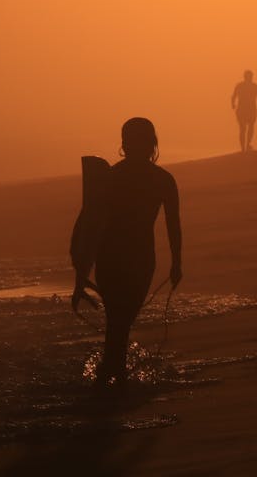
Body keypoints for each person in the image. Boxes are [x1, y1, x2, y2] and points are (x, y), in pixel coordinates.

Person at [74, 117, 182, 390]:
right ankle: (114, 377)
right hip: (139, 257)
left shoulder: (111, 178)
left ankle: (109, 375)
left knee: (118, 320)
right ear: (153, 143)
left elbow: (89, 225)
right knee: (122, 319)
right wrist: (176, 263)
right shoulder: (162, 180)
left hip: (110, 255)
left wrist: (81, 272)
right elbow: (173, 226)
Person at [231, 70, 257, 151]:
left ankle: (247, 144)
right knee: (243, 129)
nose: (249, 78)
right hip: (243, 110)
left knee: (249, 128)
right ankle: (244, 147)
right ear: (245, 77)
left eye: (250, 76)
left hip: (250, 110)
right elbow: (233, 96)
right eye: (248, 76)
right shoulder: (240, 86)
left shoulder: (255, 86)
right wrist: (233, 104)